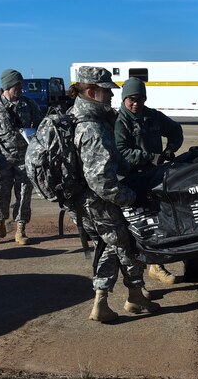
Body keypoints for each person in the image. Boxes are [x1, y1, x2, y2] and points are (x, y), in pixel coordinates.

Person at [68, 66, 160, 322]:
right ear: (90, 91)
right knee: (128, 244)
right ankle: (133, 296)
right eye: (106, 90)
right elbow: (101, 182)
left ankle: (103, 301)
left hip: (86, 201)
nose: (111, 95)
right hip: (98, 202)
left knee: (110, 246)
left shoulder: (81, 116)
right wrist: (130, 197)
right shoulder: (91, 129)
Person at [115, 76, 184, 286]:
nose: (136, 104)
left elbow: (175, 130)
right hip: (131, 181)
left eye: (140, 99)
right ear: (124, 99)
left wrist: (171, 148)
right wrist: (150, 157)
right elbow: (122, 150)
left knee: (158, 222)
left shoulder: (152, 116)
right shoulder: (120, 122)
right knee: (135, 229)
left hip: (153, 177)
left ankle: (156, 265)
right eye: (132, 99)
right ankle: (137, 283)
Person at [0, 69, 43, 245]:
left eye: (21, 86)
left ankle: (20, 230)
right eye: (17, 86)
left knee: (24, 195)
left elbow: (40, 130)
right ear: (7, 86)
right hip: (2, 160)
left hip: (24, 160)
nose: (20, 89)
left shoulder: (29, 105)